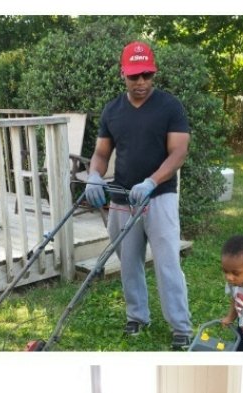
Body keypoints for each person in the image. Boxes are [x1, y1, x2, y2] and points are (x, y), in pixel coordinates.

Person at [85, 41, 193, 349]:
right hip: (122, 199)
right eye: (135, 76)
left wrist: (151, 180)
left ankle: (181, 327)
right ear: (124, 74)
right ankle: (137, 316)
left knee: (167, 263)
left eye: (147, 75)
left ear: (153, 74)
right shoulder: (112, 110)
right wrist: (94, 175)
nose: (141, 82)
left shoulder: (169, 106)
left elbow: (179, 153)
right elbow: (101, 153)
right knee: (128, 262)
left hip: (159, 197)